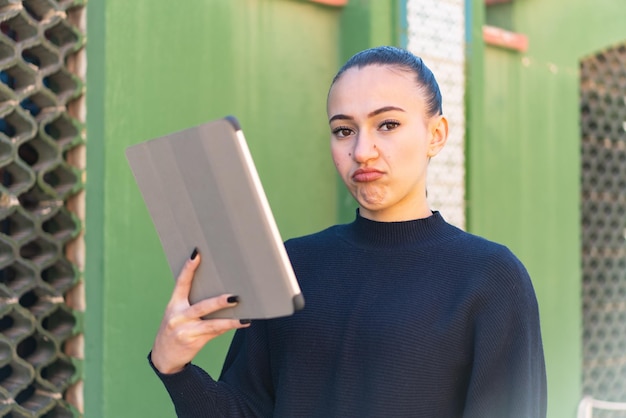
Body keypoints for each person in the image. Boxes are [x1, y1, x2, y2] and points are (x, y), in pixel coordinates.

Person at [148, 46, 547, 417]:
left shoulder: (491, 278)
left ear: (436, 135)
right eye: (344, 130)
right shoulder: (291, 266)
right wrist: (174, 367)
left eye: (387, 124)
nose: (362, 151)